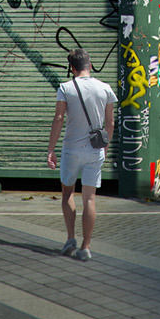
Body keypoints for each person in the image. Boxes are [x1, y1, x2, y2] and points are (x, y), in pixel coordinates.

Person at [47, 48, 116, 262]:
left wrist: (51, 148)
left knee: (68, 193)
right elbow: (110, 122)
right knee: (90, 198)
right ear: (90, 64)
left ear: (72, 68)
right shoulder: (105, 88)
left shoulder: (65, 88)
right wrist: (105, 146)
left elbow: (59, 118)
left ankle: (70, 238)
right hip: (95, 150)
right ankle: (86, 247)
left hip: (71, 150)